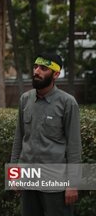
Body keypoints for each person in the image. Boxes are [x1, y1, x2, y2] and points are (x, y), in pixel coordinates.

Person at [10, 52, 81, 216]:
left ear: (56, 74)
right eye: (35, 67)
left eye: (43, 68)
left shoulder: (67, 103)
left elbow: (74, 147)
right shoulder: (25, 99)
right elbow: (19, 140)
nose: (36, 71)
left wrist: (72, 183)